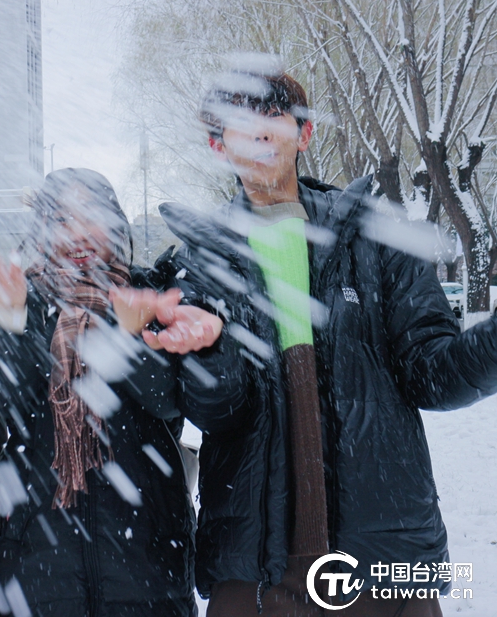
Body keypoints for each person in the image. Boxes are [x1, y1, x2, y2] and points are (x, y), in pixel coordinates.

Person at [124, 67, 497, 616]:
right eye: (238, 121)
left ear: (304, 133)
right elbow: (217, 410)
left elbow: (432, 374)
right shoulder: (200, 263)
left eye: (273, 114)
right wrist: (212, 347)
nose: (258, 130)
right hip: (255, 577)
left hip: (386, 569)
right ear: (217, 145)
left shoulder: (376, 239)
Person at [0, 168, 198, 617]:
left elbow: (168, 402)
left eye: (92, 217)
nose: (79, 234)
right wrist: (9, 318)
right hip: (40, 563)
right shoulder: (22, 298)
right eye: (62, 220)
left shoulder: (149, 295)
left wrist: (127, 337)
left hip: (146, 559)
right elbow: (6, 408)